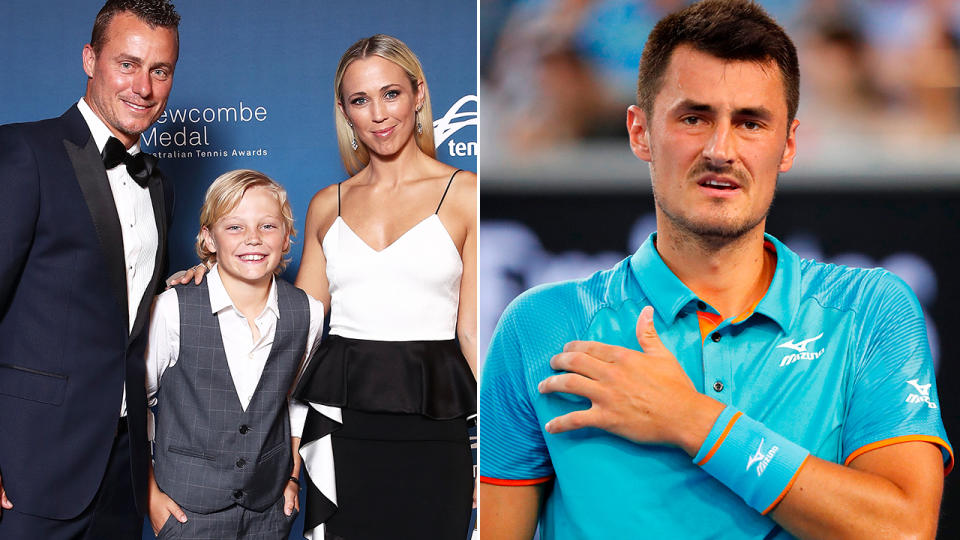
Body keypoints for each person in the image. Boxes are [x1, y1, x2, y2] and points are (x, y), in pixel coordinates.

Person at [478, 1, 951, 539]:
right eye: (694, 117)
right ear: (640, 132)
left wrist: (690, 419)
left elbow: (904, 530)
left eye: (750, 122)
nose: (721, 149)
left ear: (788, 144)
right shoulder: (540, 327)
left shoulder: (872, 310)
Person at [0, 1, 179, 538]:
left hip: (122, 469)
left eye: (160, 70)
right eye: (127, 64)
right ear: (89, 59)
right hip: (30, 467)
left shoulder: (160, 186)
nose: (143, 87)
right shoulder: (22, 153)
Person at [292, 34, 477, 540]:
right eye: (360, 100)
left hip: (435, 427)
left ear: (418, 95)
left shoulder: (466, 194)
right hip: (342, 430)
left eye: (391, 94)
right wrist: (207, 273)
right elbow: (299, 328)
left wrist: (498, 436)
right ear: (345, 112)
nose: (378, 113)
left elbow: (471, 331)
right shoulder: (326, 204)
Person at [145, 170, 332, 539]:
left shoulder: (307, 312)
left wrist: (292, 476)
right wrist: (150, 493)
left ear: (286, 235)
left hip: (268, 506)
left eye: (267, 226)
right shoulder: (171, 309)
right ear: (208, 237)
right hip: (186, 508)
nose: (252, 239)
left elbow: (296, 401)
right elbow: (135, 403)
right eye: (234, 227)